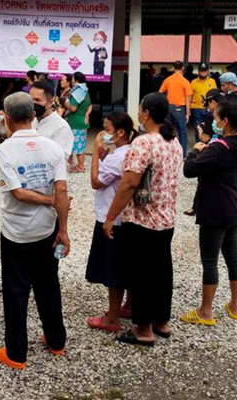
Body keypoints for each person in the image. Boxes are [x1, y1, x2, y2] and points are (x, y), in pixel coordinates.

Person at [0, 92, 70, 370]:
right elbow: (61, 190)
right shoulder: (53, 148)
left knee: (16, 291)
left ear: (8, 118)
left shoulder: (5, 150)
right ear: (34, 116)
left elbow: (17, 193)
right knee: (48, 285)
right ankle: (56, 341)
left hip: (16, 233)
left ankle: (16, 354)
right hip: (47, 229)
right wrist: (64, 230)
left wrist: (50, 202)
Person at [103, 92, 183, 346]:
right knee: (161, 271)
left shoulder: (144, 142)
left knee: (141, 275)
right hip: (166, 217)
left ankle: (144, 329)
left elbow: (129, 183)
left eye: (140, 109)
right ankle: (162, 321)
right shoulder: (174, 141)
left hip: (142, 218)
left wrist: (111, 216)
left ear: (146, 113)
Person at [180, 100, 237, 327]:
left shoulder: (219, 148)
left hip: (215, 210)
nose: (213, 120)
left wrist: (195, 151)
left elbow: (189, 170)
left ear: (225, 122)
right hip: (236, 208)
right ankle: (234, 305)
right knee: (232, 255)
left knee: (210, 261)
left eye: (215, 116)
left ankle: (205, 311)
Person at [85, 112, 135, 333]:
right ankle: (129, 306)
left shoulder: (117, 157)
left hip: (111, 217)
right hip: (130, 218)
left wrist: (95, 153)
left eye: (107, 129)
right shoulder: (133, 152)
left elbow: (96, 182)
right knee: (128, 266)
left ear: (120, 132)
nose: (103, 134)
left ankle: (112, 318)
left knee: (114, 269)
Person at [184, 88, 224, 217]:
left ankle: (196, 207)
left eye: (208, 104)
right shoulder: (229, 112)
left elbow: (205, 138)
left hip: (210, 150)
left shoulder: (210, 117)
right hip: (225, 150)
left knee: (203, 180)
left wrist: (199, 130)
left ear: (212, 102)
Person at [30, 81, 74, 159]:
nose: (33, 103)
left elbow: (60, 158)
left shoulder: (61, 127)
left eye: (37, 100)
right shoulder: (30, 122)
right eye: (31, 99)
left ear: (50, 102)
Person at [159, 61, 193, 156]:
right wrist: (188, 113)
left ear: (173, 68)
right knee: (182, 132)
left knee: (166, 130)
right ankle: (182, 154)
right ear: (182, 68)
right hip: (179, 109)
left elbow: (160, 93)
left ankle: (166, 152)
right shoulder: (185, 81)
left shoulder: (168, 80)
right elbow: (188, 98)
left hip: (169, 107)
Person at [66, 72, 92, 172]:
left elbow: (73, 108)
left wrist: (65, 104)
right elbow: (90, 105)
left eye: (72, 78)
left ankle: (80, 167)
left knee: (77, 145)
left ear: (76, 80)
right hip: (82, 121)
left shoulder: (76, 92)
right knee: (80, 144)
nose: (71, 80)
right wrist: (86, 115)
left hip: (75, 122)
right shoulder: (85, 91)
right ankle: (72, 164)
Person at [190, 63, 217, 141]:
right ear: (198, 71)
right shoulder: (194, 82)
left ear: (207, 71)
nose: (203, 73)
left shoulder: (212, 81)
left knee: (209, 128)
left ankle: (207, 145)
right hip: (196, 108)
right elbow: (190, 96)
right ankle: (198, 145)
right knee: (197, 128)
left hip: (209, 109)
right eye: (201, 71)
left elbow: (215, 95)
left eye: (204, 71)